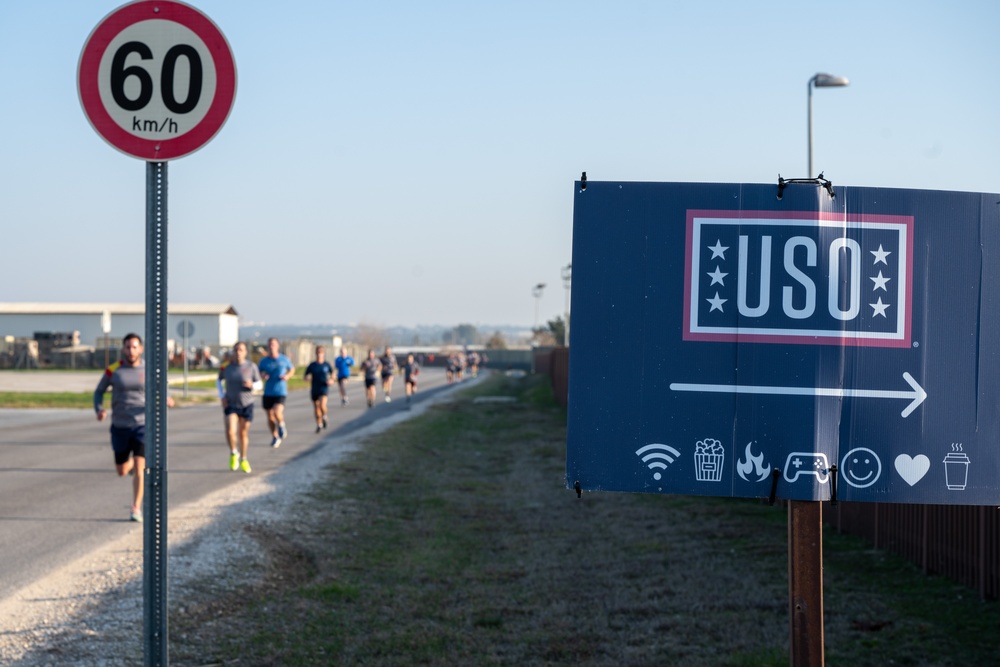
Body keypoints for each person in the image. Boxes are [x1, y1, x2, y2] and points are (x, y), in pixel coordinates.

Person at [93, 333, 174, 522]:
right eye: (128, 347)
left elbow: (162, 388)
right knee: (122, 470)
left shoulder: (150, 369)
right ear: (123, 349)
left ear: (141, 349)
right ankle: (127, 466)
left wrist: (167, 398)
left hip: (142, 425)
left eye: (134, 347)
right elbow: (99, 391)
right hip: (120, 426)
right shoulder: (113, 370)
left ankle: (136, 507)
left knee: (140, 467)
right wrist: (99, 409)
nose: (131, 350)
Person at [218, 341, 262, 473]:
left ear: (245, 352)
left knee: (243, 434)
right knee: (231, 431)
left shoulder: (251, 366)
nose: (238, 353)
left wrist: (252, 385)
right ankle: (233, 453)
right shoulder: (226, 367)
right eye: (236, 350)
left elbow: (259, 383)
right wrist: (222, 396)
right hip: (231, 403)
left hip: (246, 403)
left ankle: (244, 459)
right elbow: (218, 381)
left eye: (241, 350)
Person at [258, 337, 295, 447]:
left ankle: (282, 425)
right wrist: (263, 375)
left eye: (273, 344)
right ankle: (275, 436)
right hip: (268, 391)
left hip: (280, 391)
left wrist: (287, 376)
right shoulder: (264, 361)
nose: (271, 346)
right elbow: (259, 371)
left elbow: (292, 369)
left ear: (277, 346)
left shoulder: (284, 359)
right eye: (269, 345)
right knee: (270, 417)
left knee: (277, 412)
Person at [304, 345, 334, 433]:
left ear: (323, 354)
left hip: (324, 387)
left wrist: (331, 380)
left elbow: (332, 373)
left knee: (322, 404)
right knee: (316, 407)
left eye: (321, 352)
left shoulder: (326, 364)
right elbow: (306, 375)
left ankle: (324, 416)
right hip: (315, 388)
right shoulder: (312, 365)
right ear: (316, 353)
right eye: (318, 352)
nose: (319, 354)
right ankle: (319, 424)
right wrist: (307, 378)